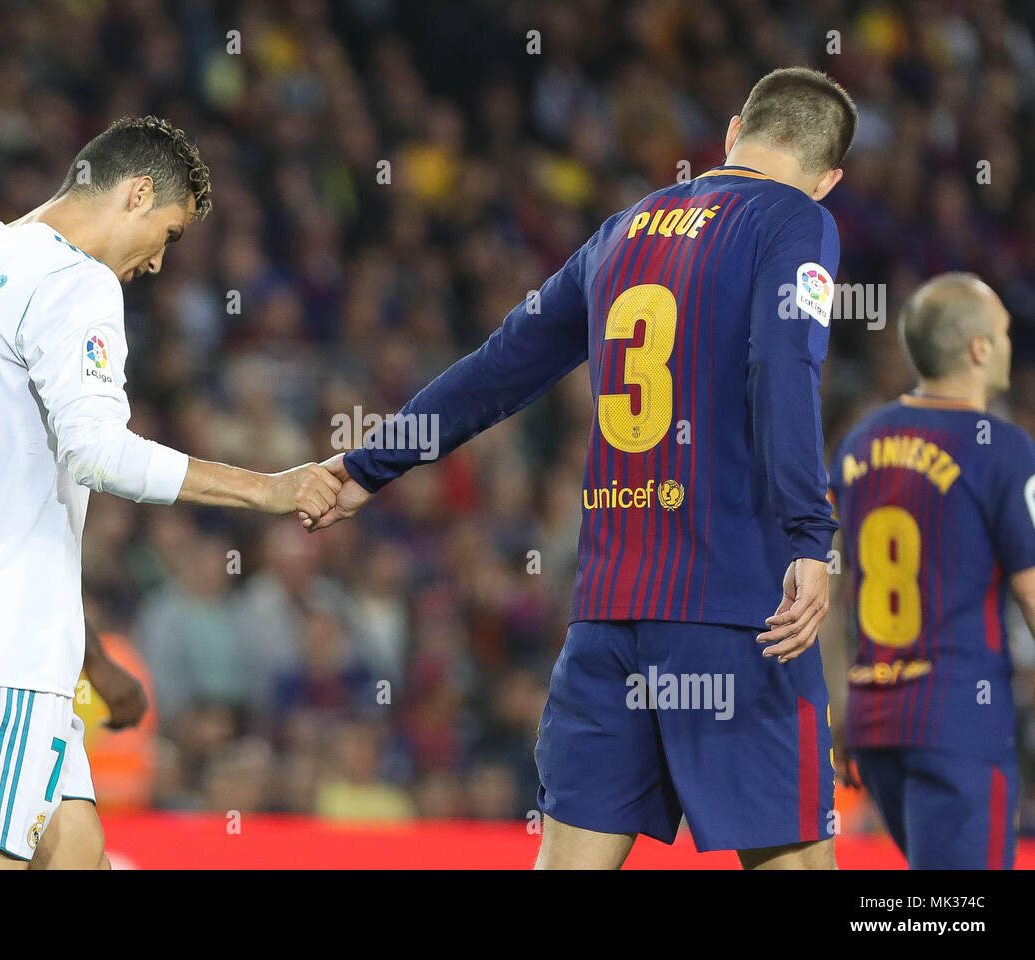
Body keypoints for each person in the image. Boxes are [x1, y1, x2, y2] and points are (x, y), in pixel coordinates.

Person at [312, 68, 856, 869]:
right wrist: (811, 535)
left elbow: (502, 365)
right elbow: (784, 363)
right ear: (830, 179)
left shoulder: (621, 231)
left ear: (735, 129)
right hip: (740, 608)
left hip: (608, 617)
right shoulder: (797, 221)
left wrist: (367, 466)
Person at [0, 117, 342, 869]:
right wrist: (266, 490)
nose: (159, 263)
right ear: (136, 193)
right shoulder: (75, 282)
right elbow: (101, 452)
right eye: (168, 233)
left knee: (75, 850)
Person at [823, 273, 1035, 869]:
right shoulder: (1002, 447)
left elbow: (831, 594)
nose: (1011, 343)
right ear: (979, 348)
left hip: (874, 719)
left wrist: (838, 704)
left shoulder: (859, 443)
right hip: (959, 721)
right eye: (1004, 331)